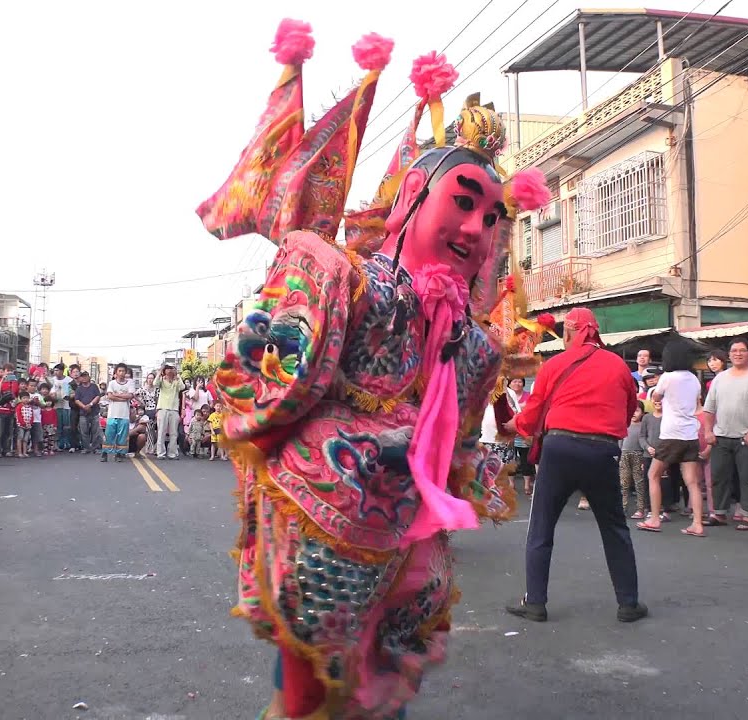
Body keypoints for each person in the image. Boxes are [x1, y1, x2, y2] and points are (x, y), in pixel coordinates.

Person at [196, 30, 530, 717]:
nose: (476, 228)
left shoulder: (477, 346)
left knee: (379, 701)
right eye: (462, 202)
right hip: (322, 542)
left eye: (491, 216)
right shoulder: (342, 279)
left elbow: (459, 452)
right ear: (410, 199)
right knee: (313, 699)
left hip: (405, 560)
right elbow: (266, 386)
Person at [507, 307, 645, 623]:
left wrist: (516, 424)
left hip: (559, 447)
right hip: (602, 450)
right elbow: (629, 408)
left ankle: (536, 602)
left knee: (541, 526)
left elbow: (533, 412)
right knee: (614, 527)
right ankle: (628, 603)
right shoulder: (618, 366)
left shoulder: (554, 364)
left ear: (570, 332)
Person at [701, 338, 748, 530]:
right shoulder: (720, 378)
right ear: (729, 354)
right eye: (734, 351)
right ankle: (719, 513)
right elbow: (709, 408)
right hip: (721, 436)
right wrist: (708, 431)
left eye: (742, 350)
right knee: (719, 476)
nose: (738, 354)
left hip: (747, 437)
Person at [638, 339, 707, 537]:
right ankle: (697, 524)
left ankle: (653, 519)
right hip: (690, 434)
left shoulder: (668, 377)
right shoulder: (694, 379)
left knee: (653, 475)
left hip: (671, 434)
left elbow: (656, 397)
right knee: (692, 482)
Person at [102, 364, 132, 462]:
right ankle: (105, 452)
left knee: (122, 435)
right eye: (119, 371)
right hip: (112, 414)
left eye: (123, 371)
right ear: (116, 372)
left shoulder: (130, 383)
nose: (121, 373)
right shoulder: (112, 383)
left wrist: (116, 395)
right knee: (109, 434)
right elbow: (110, 396)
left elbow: (130, 396)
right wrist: (123, 396)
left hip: (124, 414)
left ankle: (119, 453)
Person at [154, 364, 183, 460]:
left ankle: (172, 453)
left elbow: (182, 387)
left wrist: (177, 375)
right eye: (168, 369)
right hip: (163, 409)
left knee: (174, 433)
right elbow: (155, 383)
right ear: (164, 371)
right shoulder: (161, 380)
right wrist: (160, 371)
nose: (170, 371)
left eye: (171, 369)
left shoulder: (176, 382)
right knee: (161, 431)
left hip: (174, 409)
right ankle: (160, 453)